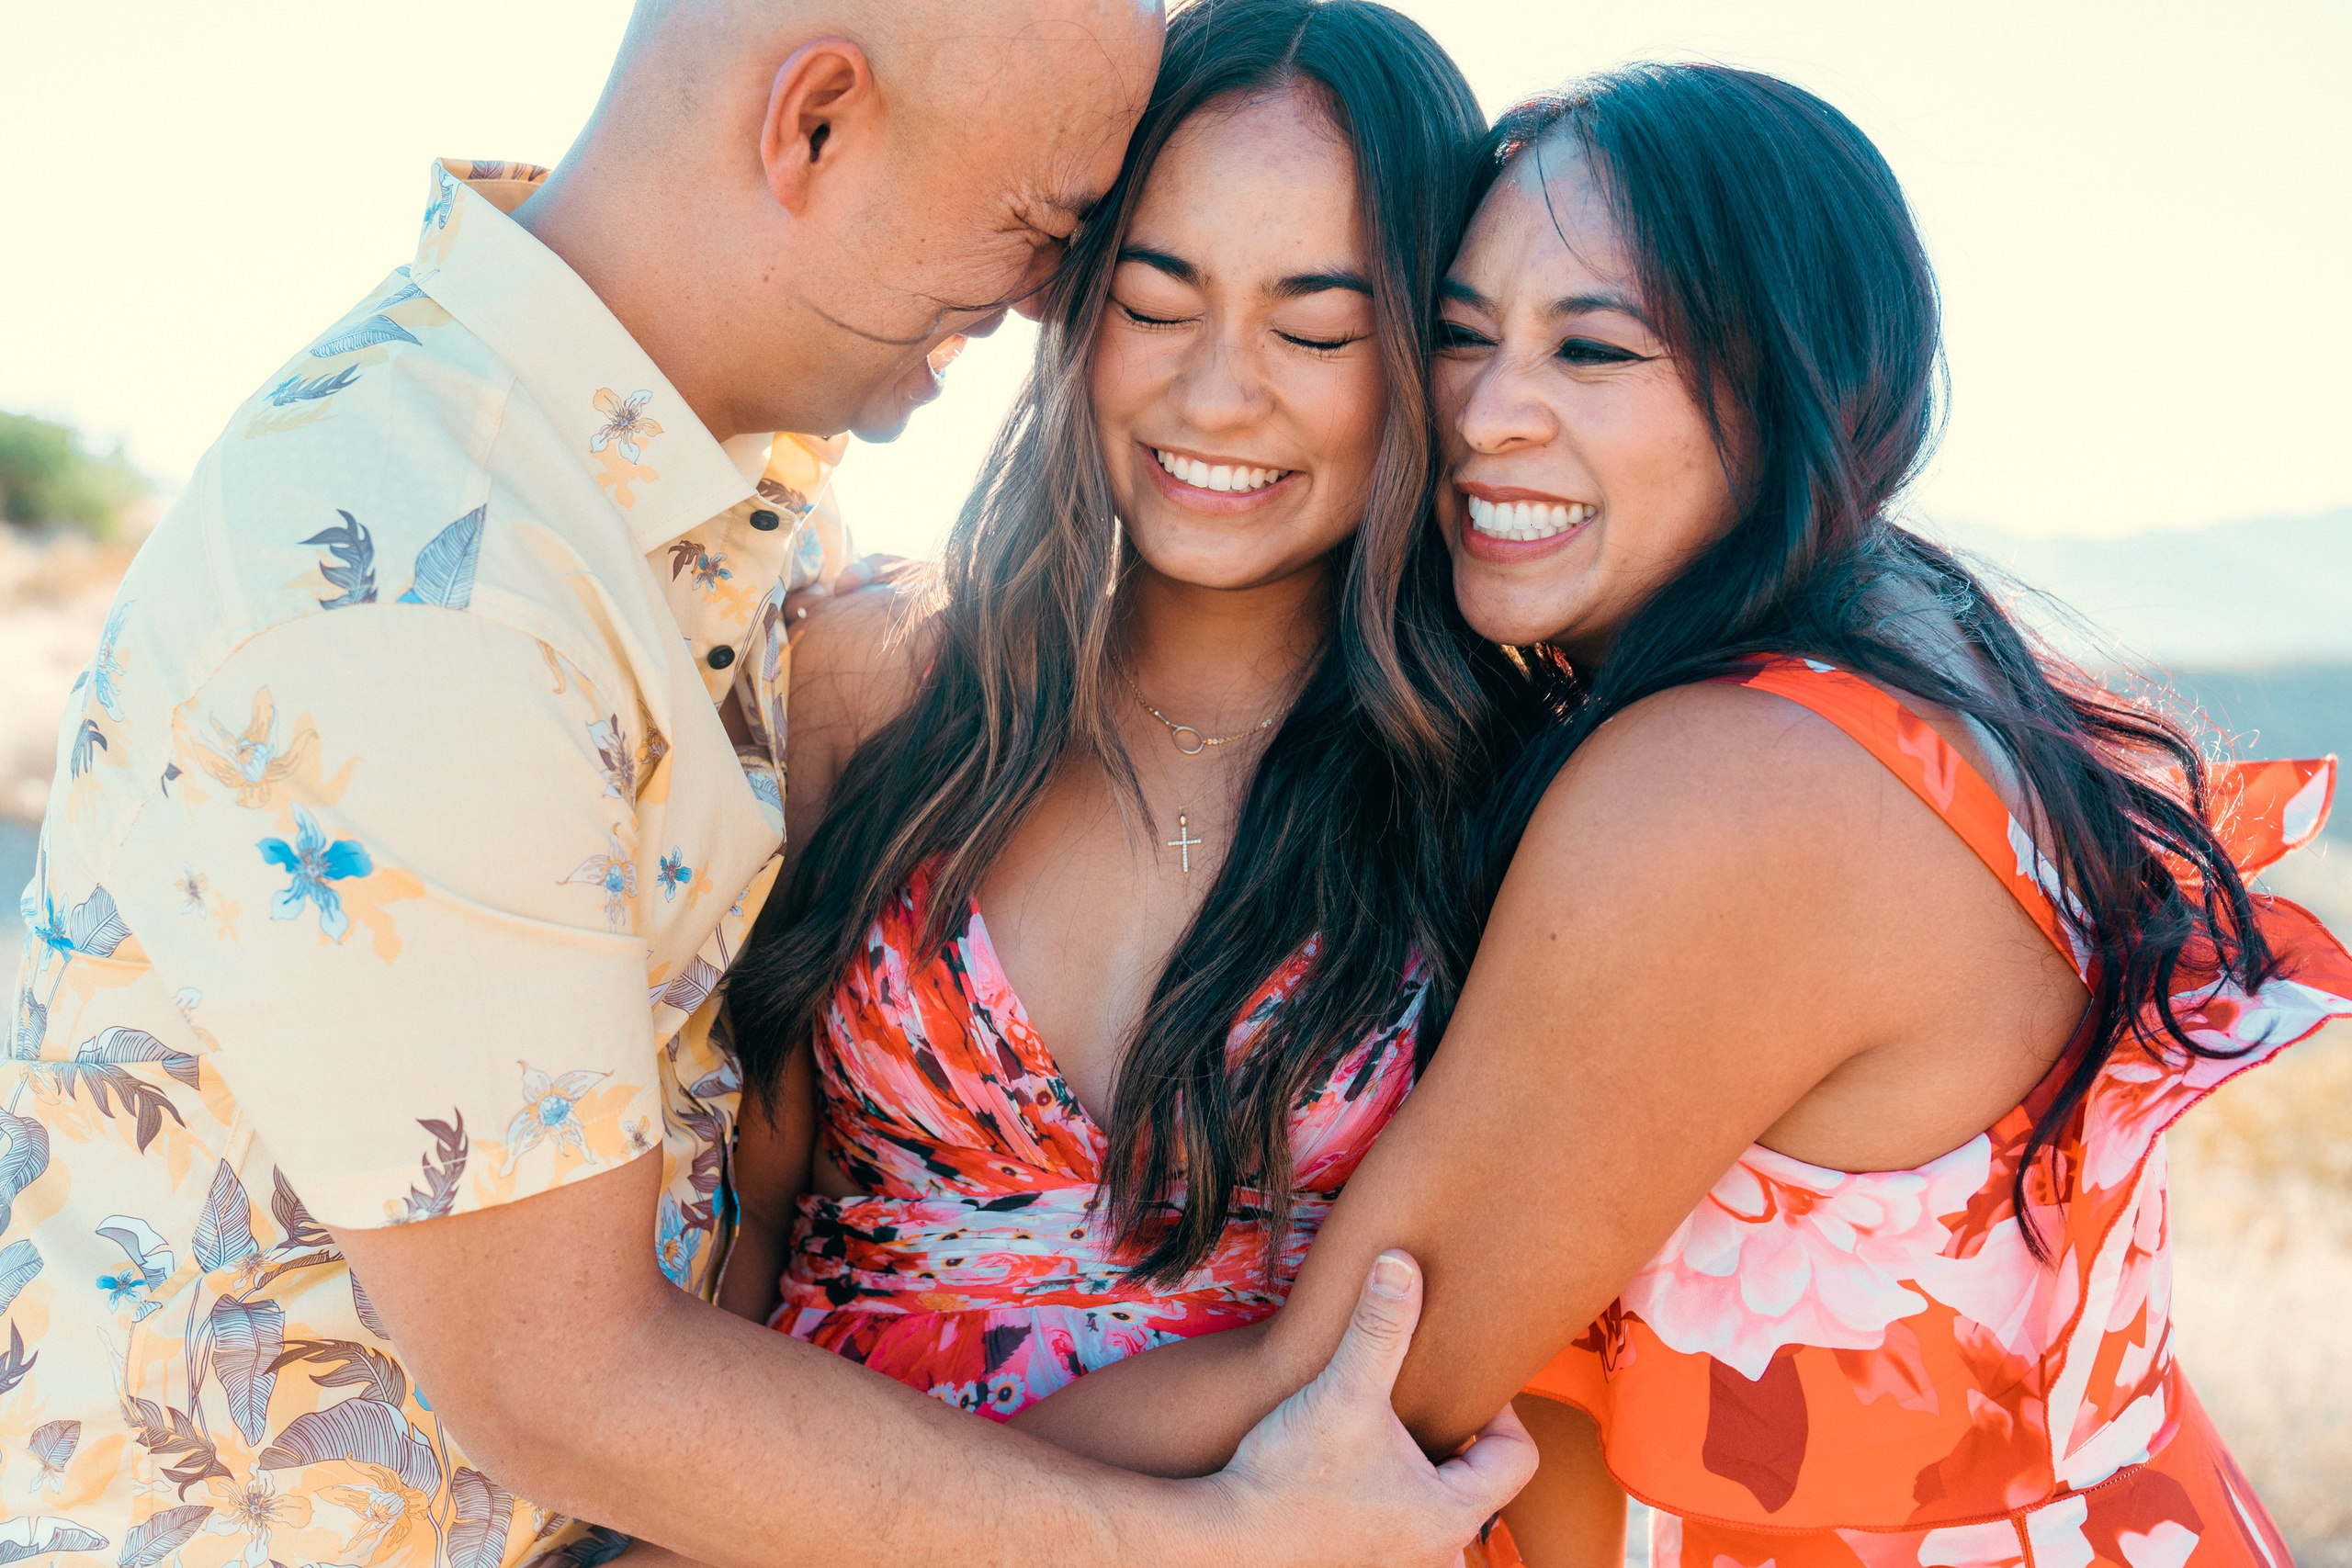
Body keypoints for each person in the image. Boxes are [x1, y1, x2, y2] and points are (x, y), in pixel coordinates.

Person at [0, 4, 1534, 1566]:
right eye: (1054, 231)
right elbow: (565, 1378)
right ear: (814, 123)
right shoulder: (425, 586)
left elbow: (725, 1179)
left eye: (1315, 327)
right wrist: (1208, 1548)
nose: (1040, 298)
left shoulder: (725, 531)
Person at [998, 62, 2352, 1568]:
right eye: (1460, 336)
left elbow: (1345, 1394)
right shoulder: (1904, 660)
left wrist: (823, 1489)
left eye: (1593, 349)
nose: (1487, 415)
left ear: (1795, 385)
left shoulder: (1729, 785)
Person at [719, 0, 1537, 1428]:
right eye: (1156, 306)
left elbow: (1554, 1364)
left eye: (1319, 330)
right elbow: (733, 1232)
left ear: (1431, 355)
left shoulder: (1512, 791)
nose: (1216, 396)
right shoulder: (875, 680)